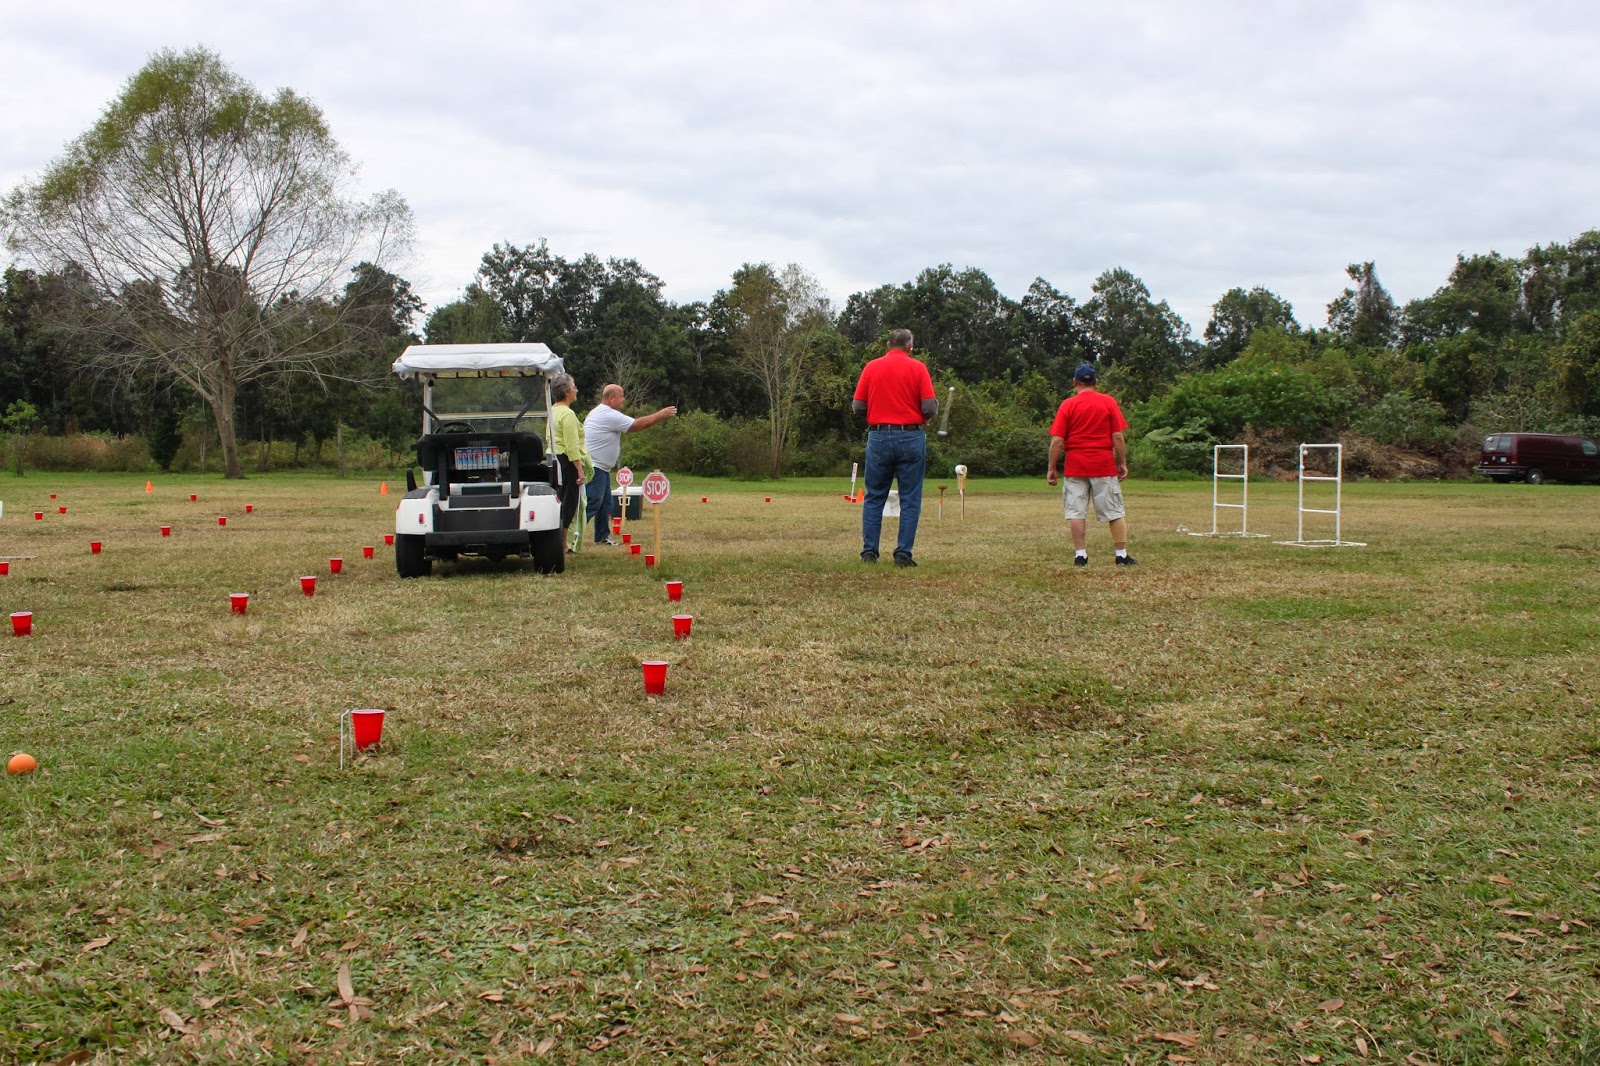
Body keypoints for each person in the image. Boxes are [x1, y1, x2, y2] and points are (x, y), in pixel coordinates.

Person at [853, 328, 937, 567]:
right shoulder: (918, 368)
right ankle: (903, 554)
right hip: (910, 437)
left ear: (888, 345)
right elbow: (929, 407)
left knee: (874, 497)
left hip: (878, 436)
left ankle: (869, 552)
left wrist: (876, 414)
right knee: (910, 498)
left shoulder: (871, 367)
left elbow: (858, 405)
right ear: (910, 347)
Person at [1046, 363, 1135, 566]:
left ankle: (1080, 555)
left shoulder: (1067, 405)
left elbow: (1058, 440)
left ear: (1074, 382)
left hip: (1075, 466)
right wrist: (1122, 462)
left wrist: (1052, 467)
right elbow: (1117, 436)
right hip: (1103, 464)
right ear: (1095, 382)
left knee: (1076, 512)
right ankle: (1121, 555)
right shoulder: (1108, 402)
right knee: (1114, 511)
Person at [582, 384, 677, 545]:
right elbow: (637, 425)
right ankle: (570, 535)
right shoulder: (608, 414)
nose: (623, 399)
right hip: (595, 466)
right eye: (621, 396)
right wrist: (660, 415)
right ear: (611, 399)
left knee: (606, 504)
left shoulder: (599, 412)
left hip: (600, 467)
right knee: (592, 502)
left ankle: (602, 536)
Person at [548, 373, 591, 552]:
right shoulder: (568, 414)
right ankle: (562, 543)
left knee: (558, 498)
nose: (576, 390)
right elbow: (572, 446)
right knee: (569, 501)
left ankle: (557, 540)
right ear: (566, 391)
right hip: (566, 461)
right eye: (574, 386)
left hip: (552, 458)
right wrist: (580, 470)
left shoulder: (552, 410)